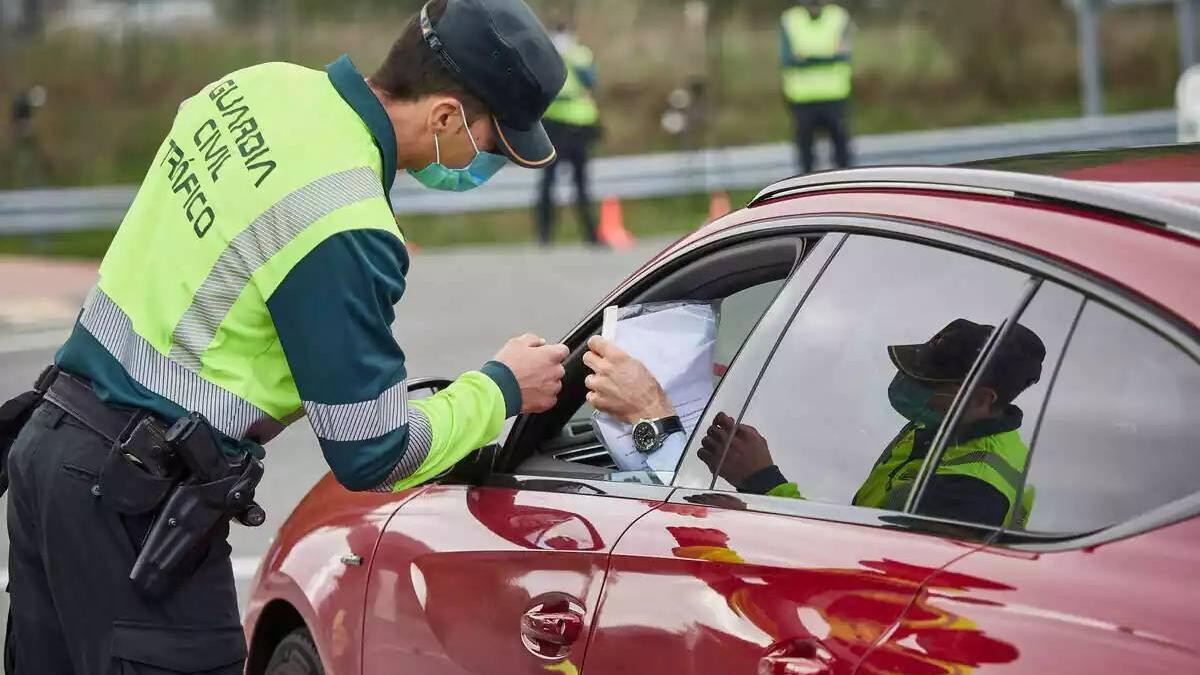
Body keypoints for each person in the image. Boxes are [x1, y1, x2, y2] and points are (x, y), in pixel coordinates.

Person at [2, 0, 568, 671]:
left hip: (50, 452)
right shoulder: (344, 217)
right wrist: (501, 388)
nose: (483, 169)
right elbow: (372, 449)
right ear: (446, 115)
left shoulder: (258, 87)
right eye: (493, 149)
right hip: (135, 506)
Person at [584, 319, 1047, 528]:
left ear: (982, 399)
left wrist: (761, 480)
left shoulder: (968, 490)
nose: (905, 384)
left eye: (924, 380)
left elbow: (856, 563)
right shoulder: (945, 428)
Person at [535, 21, 601, 246]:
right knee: (547, 182)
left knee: (582, 183)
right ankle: (545, 236)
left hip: (579, 125)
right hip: (553, 124)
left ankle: (591, 235)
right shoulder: (543, 56)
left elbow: (590, 81)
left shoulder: (580, 54)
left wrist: (569, 57)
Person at [780, 0, 854, 174]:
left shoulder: (839, 17)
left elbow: (845, 55)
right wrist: (829, 56)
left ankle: (847, 190)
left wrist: (806, 58)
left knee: (842, 154)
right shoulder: (790, 19)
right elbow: (787, 58)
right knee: (806, 156)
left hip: (835, 95)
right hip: (801, 98)